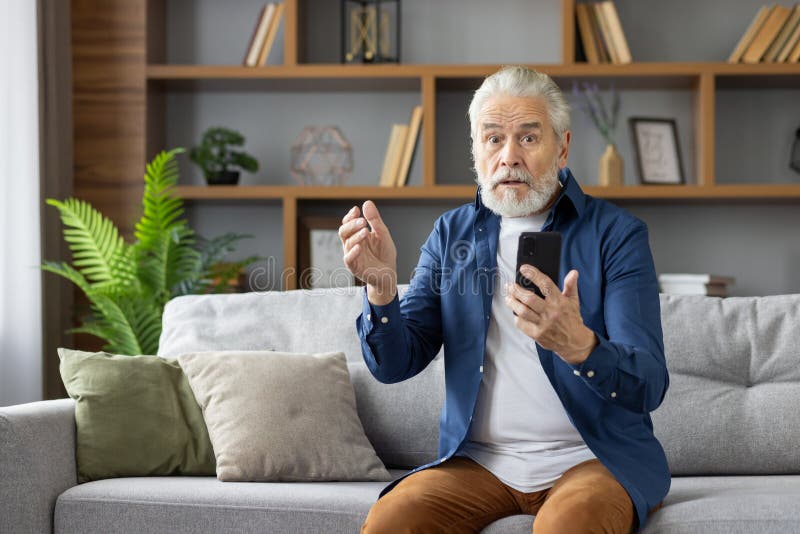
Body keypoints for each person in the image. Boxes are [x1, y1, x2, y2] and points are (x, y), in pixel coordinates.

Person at [338, 65, 669, 533]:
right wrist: (381, 288)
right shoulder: (451, 234)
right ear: (476, 149)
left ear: (563, 147)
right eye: (493, 139)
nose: (509, 156)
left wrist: (580, 346)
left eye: (529, 139)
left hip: (594, 459)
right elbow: (395, 366)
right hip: (479, 465)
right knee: (392, 520)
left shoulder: (616, 235)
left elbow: (649, 384)